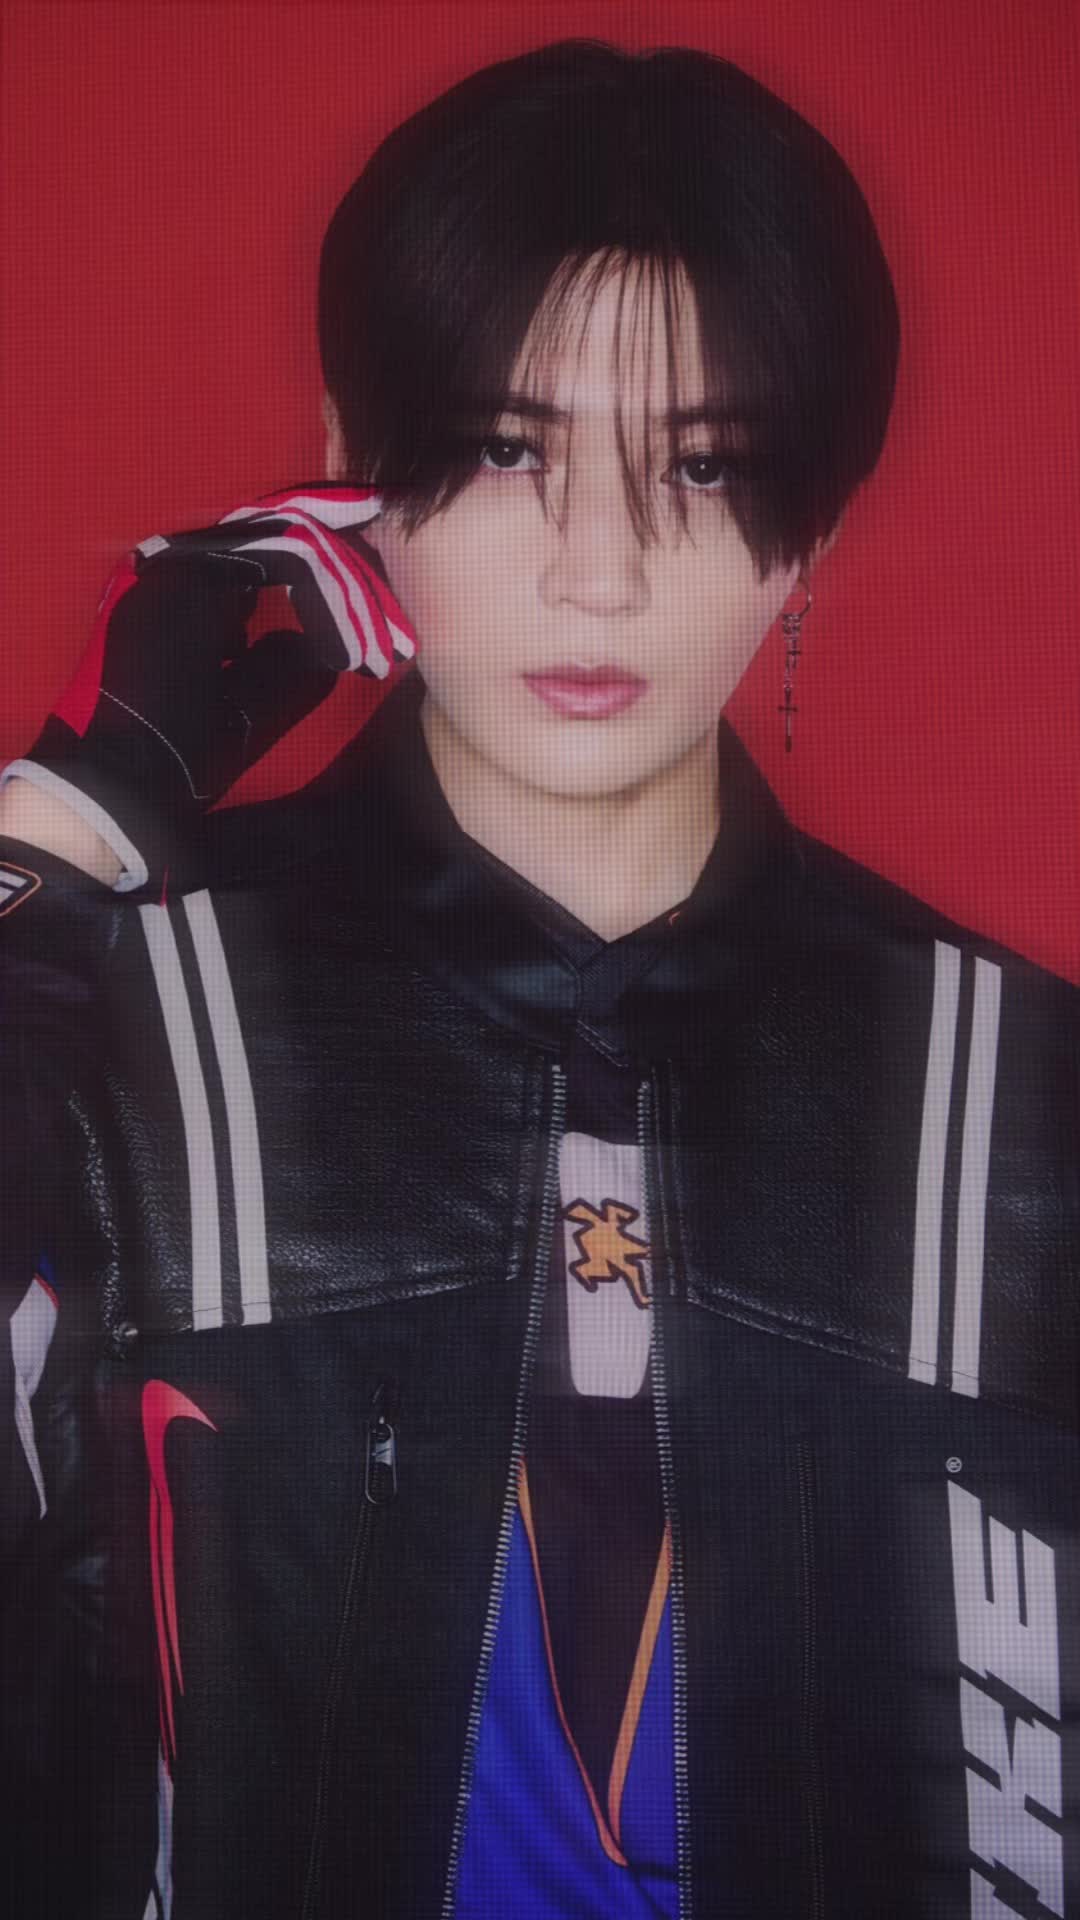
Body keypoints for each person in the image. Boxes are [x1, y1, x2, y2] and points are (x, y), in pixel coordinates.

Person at [1, 38, 1076, 1920]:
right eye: (509, 449)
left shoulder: (1019, 1100)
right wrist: (51, 849)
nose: (598, 571)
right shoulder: (121, 1013)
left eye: (701, 464)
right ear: (356, 464)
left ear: (814, 526)